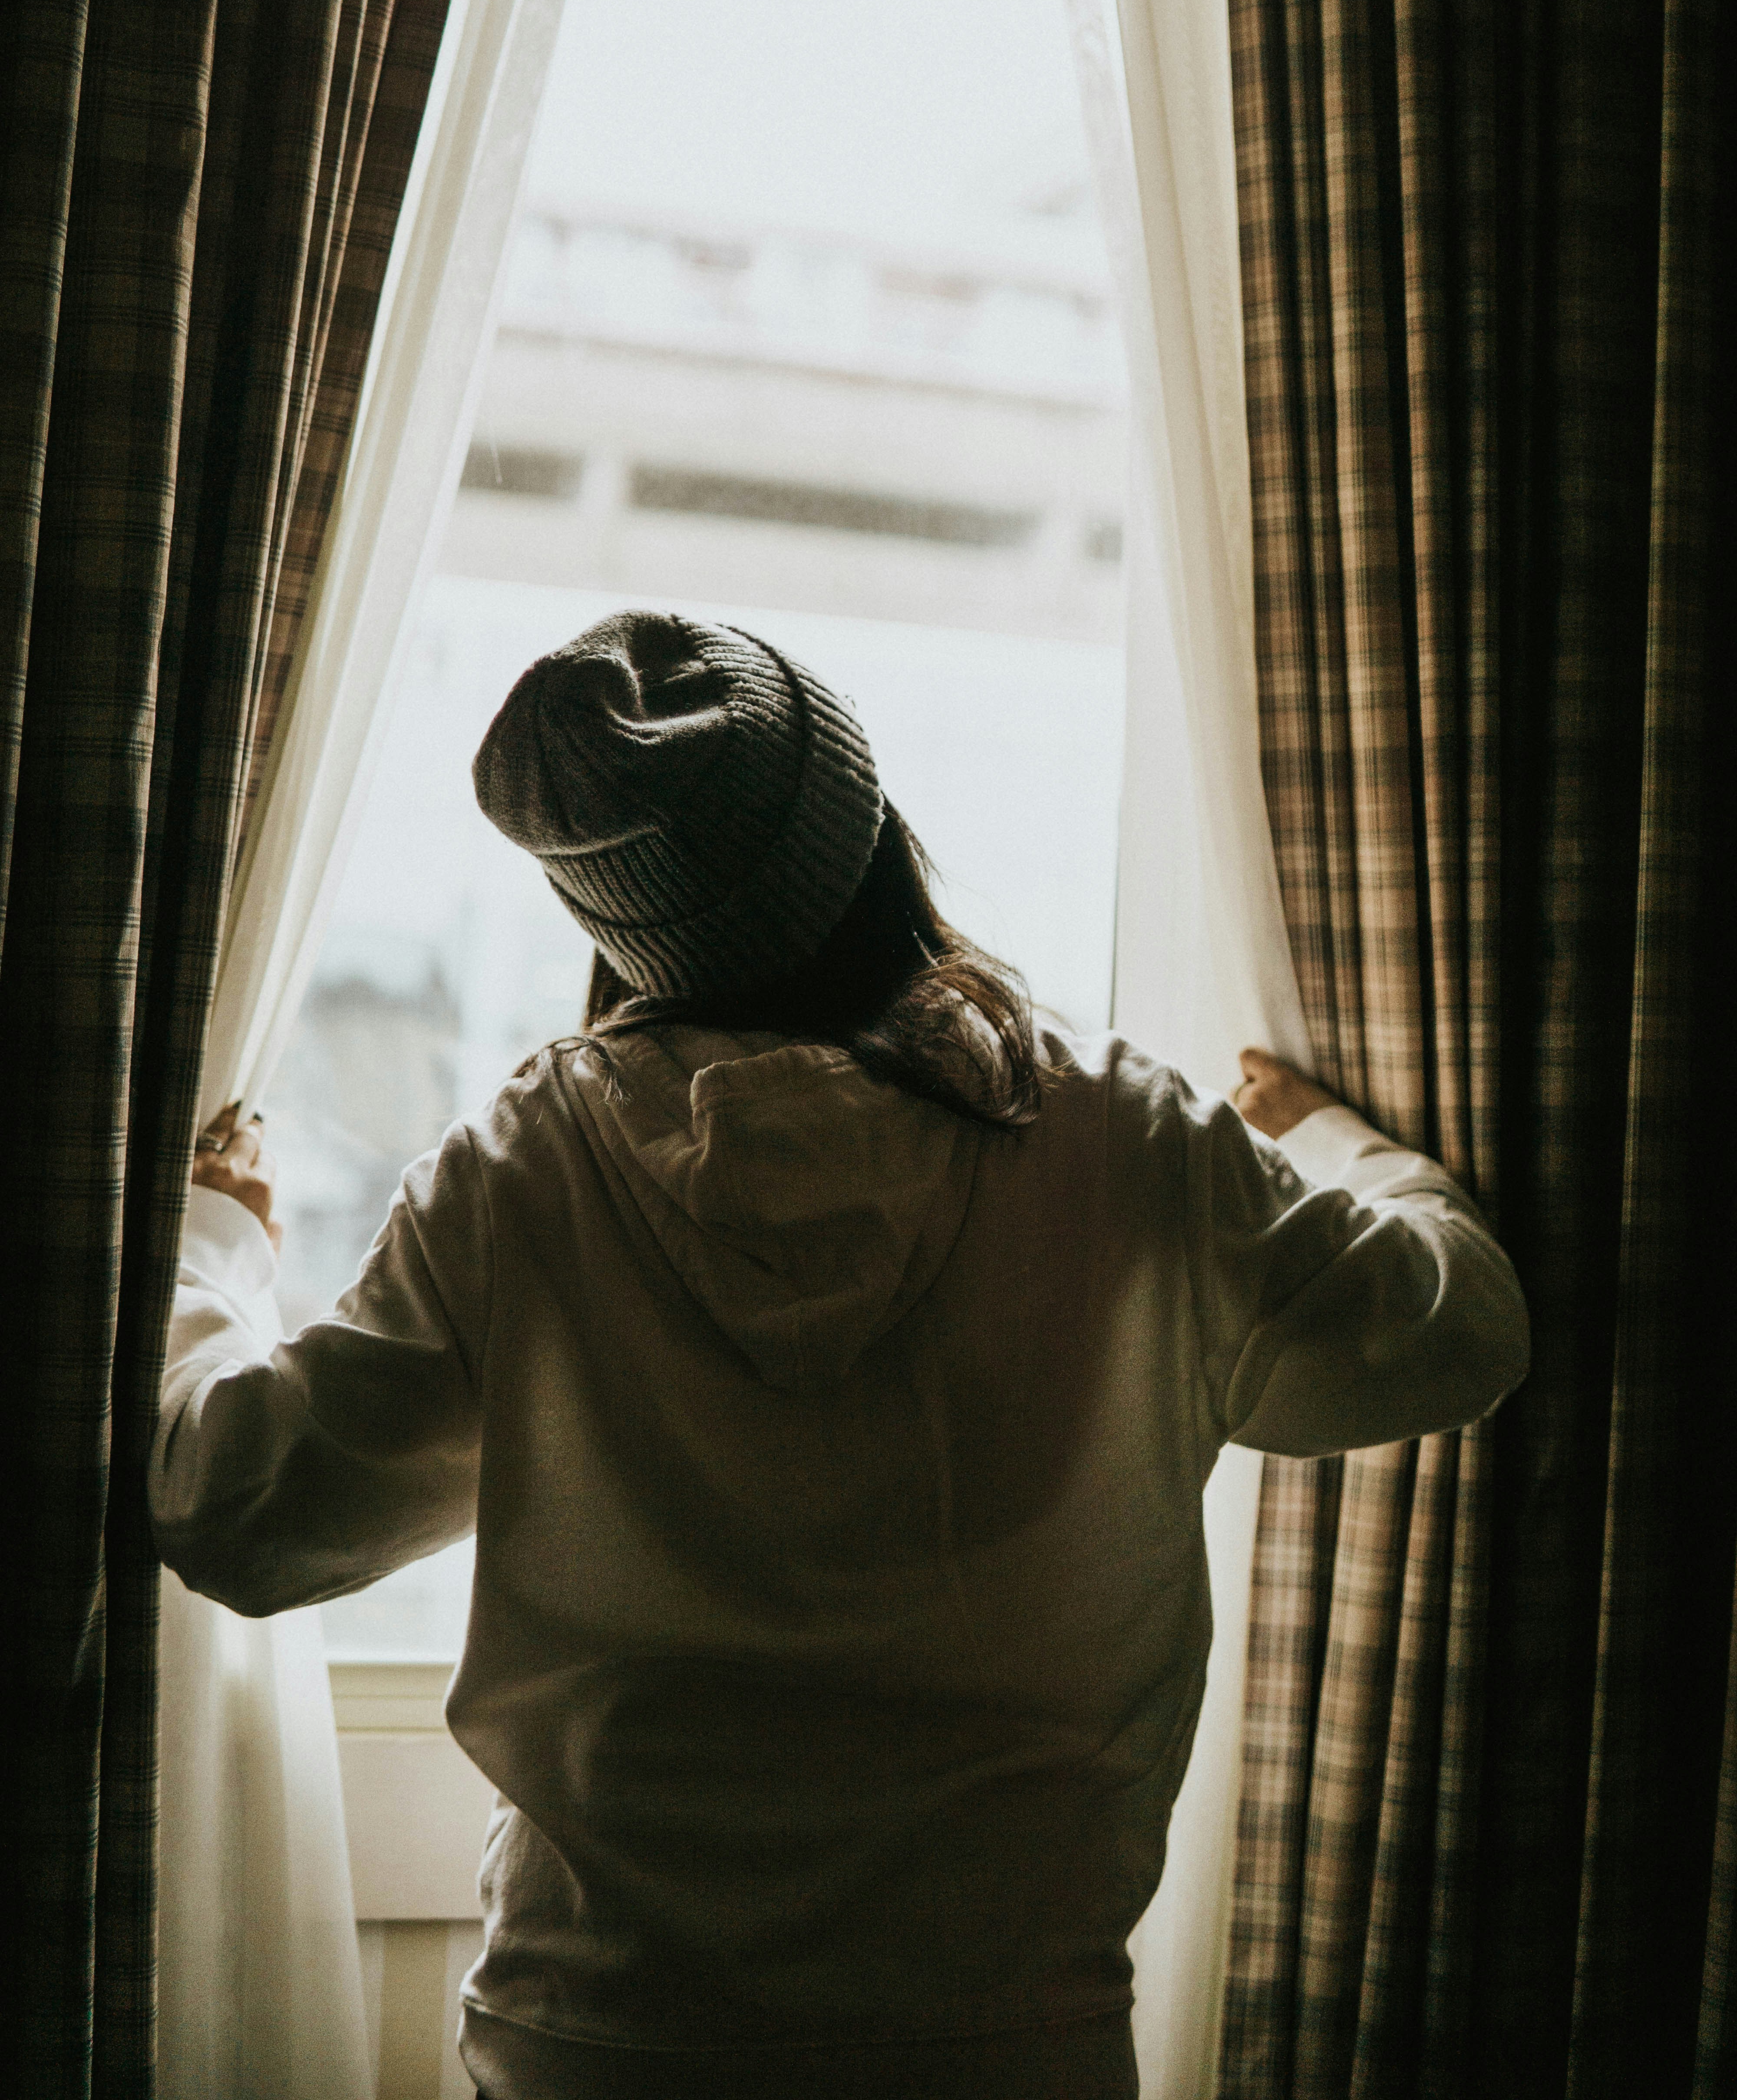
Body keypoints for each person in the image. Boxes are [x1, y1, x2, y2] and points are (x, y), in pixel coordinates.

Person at [155, 610, 1529, 2100]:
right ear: (869, 836)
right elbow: (1458, 1329)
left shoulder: (524, 1174)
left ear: (613, 924)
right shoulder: (1123, 1142)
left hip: (605, 2043)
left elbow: (244, 1514)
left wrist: (216, 1248)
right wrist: (1334, 1139)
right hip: (1011, 2046)